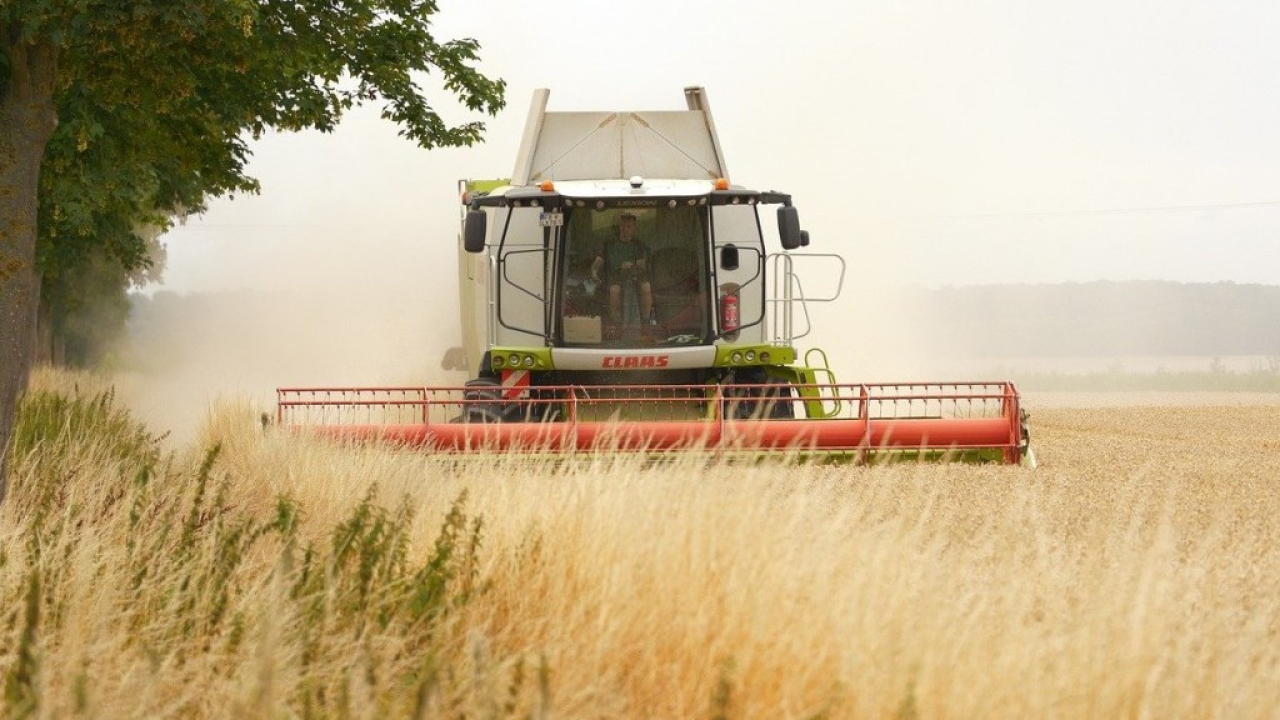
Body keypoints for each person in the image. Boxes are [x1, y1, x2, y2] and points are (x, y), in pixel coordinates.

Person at [591, 213, 653, 326]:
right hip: (615, 277)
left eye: (629, 226)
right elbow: (598, 261)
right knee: (614, 291)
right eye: (623, 226)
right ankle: (617, 325)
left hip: (635, 277)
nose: (625, 229)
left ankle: (646, 322)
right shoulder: (609, 244)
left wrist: (634, 265)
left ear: (634, 228)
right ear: (619, 226)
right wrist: (594, 271)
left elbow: (643, 265)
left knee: (646, 287)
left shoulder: (639, 245)